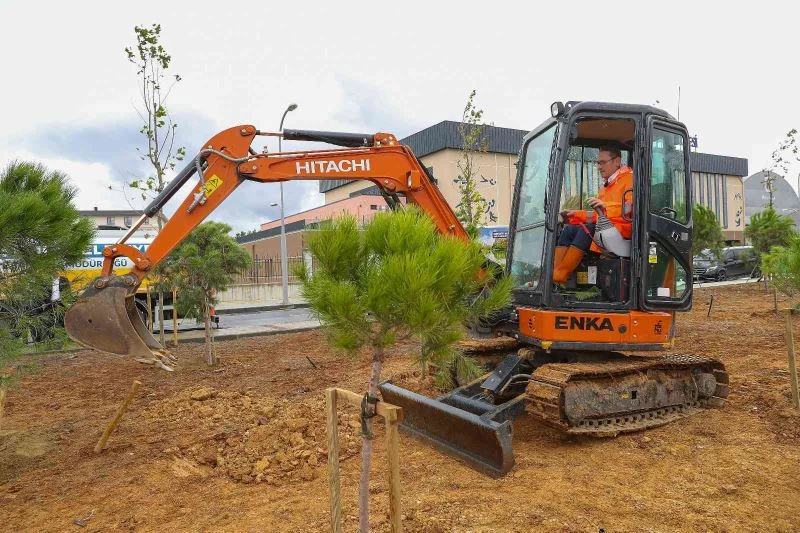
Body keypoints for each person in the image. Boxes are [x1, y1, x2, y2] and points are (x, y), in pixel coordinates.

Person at [552, 146, 633, 284]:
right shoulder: (606, 187)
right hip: (606, 227)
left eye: (603, 162)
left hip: (624, 230)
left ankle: (560, 275)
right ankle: (554, 273)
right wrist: (575, 215)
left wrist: (604, 207)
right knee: (569, 230)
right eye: (598, 163)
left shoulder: (630, 179)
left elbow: (629, 208)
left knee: (588, 229)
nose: (599, 167)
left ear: (617, 161)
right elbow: (598, 215)